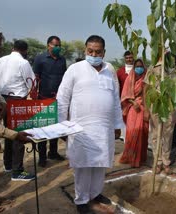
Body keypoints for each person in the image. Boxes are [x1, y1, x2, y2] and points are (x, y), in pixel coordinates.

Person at [56, 35, 124, 214]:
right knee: (83, 166)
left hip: (104, 129)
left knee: (100, 164)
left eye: (98, 52)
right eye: (90, 51)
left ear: (104, 52)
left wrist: (118, 124)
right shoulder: (75, 69)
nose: (93, 54)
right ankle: (81, 200)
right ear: (85, 50)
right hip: (81, 129)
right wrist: (62, 125)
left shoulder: (110, 70)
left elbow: (115, 99)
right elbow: (62, 98)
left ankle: (95, 194)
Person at [0, 27, 33, 213]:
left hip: (1, 101)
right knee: (17, 135)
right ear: (24, 51)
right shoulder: (23, 63)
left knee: (6, 133)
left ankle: (9, 165)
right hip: (16, 100)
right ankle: (18, 170)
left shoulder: (0, 60)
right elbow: (30, 83)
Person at [33, 36, 67, 167]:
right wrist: (35, 97)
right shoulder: (40, 58)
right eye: (55, 45)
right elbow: (35, 78)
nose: (58, 47)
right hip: (43, 98)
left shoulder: (62, 60)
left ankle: (53, 152)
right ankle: (42, 157)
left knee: (55, 128)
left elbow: (64, 78)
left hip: (58, 99)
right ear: (48, 45)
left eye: (59, 45)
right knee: (43, 129)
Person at [144, 53, 176, 175]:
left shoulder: (175, 70)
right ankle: (157, 162)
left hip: (170, 107)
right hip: (155, 105)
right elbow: (146, 88)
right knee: (155, 135)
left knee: (168, 135)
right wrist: (146, 109)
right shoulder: (153, 67)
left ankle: (166, 162)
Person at [119, 59, 149, 167]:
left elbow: (148, 95)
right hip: (133, 108)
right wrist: (133, 102)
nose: (139, 68)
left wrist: (146, 109)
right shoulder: (129, 78)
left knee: (143, 133)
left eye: (141, 66)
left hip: (144, 108)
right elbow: (124, 95)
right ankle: (131, 157)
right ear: (134, 67)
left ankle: (140, 158)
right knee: (132, 133)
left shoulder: (146, 79)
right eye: (137, 66)